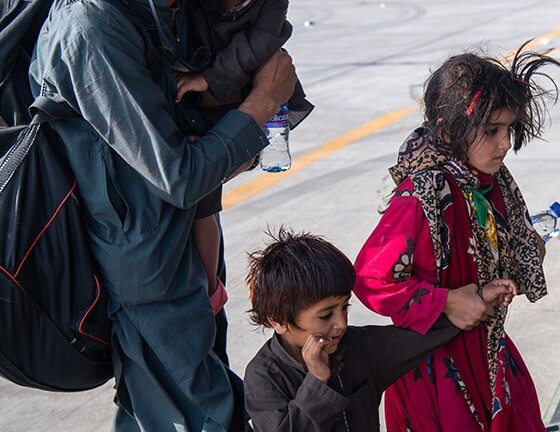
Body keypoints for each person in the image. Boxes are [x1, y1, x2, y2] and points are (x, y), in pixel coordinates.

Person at [28, 0, 298, 428]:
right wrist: (263, 102)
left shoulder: (161, 10)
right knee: (204, 414)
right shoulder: (92, 30)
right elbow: (180, 175)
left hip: (185, 246)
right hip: (149, 271)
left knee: (163, 409)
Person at [352, 43, 560, 431]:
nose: (505, 144)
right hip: (436, 367)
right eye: (492, 131)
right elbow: (371, 279)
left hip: (487, 350)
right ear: (450, 131)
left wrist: (514, 263)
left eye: (509, 129)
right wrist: (447, 301)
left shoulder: (489, 183)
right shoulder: (422, 196)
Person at [243, 230, 516, 431]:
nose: (341, 324)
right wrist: (317, 381)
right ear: (278, 321)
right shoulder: (263, 378)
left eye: (344, 307)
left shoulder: (358, 347)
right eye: (326, 315)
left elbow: (416, 338)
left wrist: (476, 300)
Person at [173, 0, 314, 318]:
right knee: (200, 196)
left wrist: (209, 78)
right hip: (195, 105)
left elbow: (262, 41)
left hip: (244, 100)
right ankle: (209, 290)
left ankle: (210, 290)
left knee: (204, 199)